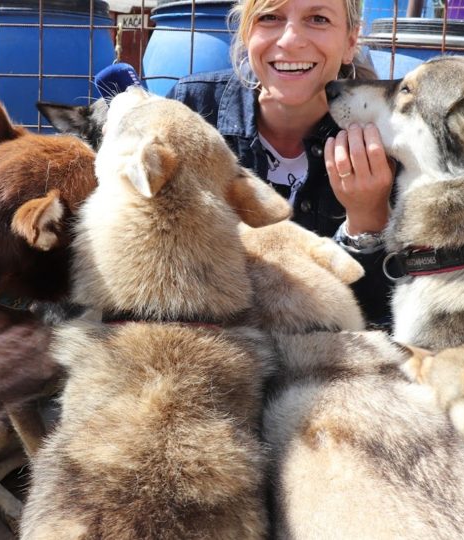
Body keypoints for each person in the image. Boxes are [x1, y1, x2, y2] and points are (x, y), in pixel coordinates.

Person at [168, 0, 394, 327]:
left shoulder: (386, 138)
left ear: (350, 42)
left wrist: (367, 218)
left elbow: (378, 315)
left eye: (317, 19)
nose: (290, 40)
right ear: (247, 33)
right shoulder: (193, 110)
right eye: (270, 17)